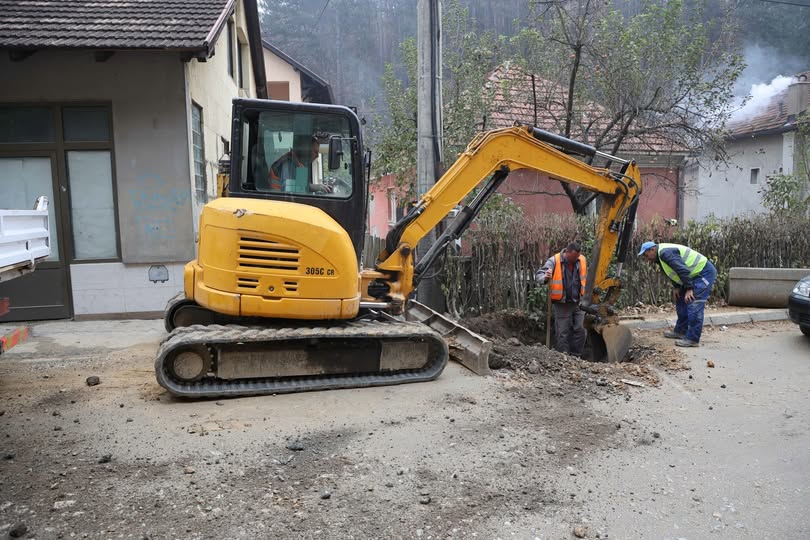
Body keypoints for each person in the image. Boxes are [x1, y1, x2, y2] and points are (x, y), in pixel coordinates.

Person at [638, 241, 717, 347]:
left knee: (694, 303)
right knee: (681, 300)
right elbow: (673, 271)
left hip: (702, 273)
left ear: (652, 249)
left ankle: (693, 339)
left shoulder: (665, 253)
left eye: (646, 255)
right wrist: (677, 287)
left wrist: (689, 289)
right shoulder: (659, 257)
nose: (647, 259)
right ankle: (680, 331)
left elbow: (682, 270)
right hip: (691, 275)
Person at [536, 242, 587, 356]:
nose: (575, 260)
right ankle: (562, 357)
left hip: (578, 301)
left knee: (580, 329)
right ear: (567, 252)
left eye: (577, 257)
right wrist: (545, 277)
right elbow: (539, 275)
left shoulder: (581, 260)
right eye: (573, 257)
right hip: (562, 303)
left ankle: (576, 355)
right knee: (563, 331)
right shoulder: (554, 261)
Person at [268, 134, 333, 194]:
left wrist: (319, 187)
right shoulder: (287, 163)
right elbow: (287, 190)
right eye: (315, 152)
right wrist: (313, 187)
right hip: (279, 201)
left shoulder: (300, 164)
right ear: (306, 150)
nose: (317, 156)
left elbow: (301, 187)